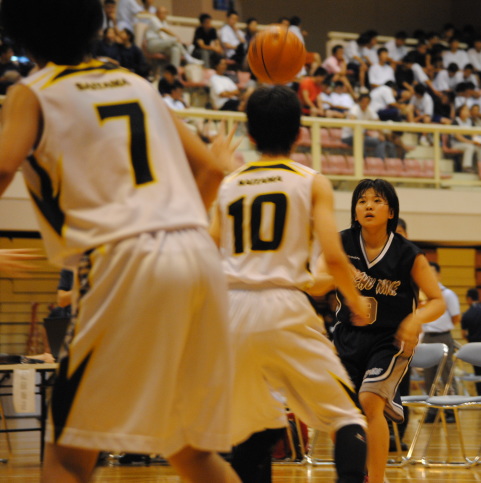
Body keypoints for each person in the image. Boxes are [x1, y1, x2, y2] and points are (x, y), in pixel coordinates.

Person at [0, 1, 241, 481]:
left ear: (19, 36)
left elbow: (4, 166)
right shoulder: (136, 84)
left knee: (68, 456)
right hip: (197, 254)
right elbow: (213, 168)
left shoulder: (32, 92)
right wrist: (171, 226)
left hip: (123, 257)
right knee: (189, 451)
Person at [209, 86, 369, 483]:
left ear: (249, 134)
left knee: (254, 427)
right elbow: (335, 256)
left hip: (230, 311)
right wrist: (355, 301)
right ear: (300, 134)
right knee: (347, 417)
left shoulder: (228, 185)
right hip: (283, 305)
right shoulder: (311, 181)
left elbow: (206, 251)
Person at [323, 178, 445, 483]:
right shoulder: (340, 243)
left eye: (377, 201)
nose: (368, 206)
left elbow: (438, 301)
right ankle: (357, 473)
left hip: (391, 340)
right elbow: (317, 281)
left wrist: (414, 320)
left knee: (369, 401)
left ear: (391, 212)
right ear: (354, 210)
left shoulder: (408, 253)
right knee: (342, 410)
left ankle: (376, 478)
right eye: (362, 201)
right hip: (347, 336)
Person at [421, 262, 461, 402]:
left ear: (439, 275)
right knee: (428, 375)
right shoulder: (422, 295)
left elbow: (456, 317)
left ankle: (451, 408)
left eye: (432, 273)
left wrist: (441, 326)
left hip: (443, 336)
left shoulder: (448, 294)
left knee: (447, 373)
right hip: (427, 337)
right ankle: (432, 409)